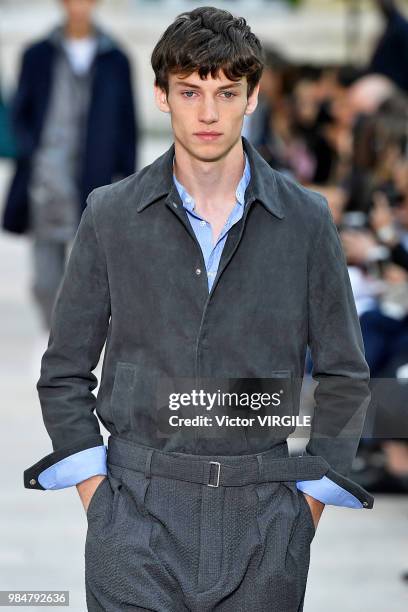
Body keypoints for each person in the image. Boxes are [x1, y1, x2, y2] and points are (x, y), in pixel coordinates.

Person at [24, 7, 374, 612]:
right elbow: (63, 373)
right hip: (135, 515)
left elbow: (345, 375)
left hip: (265, 518)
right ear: (161, 96)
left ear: (253, 97)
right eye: (190, 92)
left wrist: (307, 505)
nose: (208, 114)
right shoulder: (110, 217)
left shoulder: (306, 221)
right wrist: (97, 498)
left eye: (225, 93)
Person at [2, 0, 137, 329]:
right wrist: (29, 149)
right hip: (45, 181)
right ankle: (53, 338)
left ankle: (74, 348)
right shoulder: (36, 55)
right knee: (46, 279)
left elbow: (126, 124)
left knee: (91, 277)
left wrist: (128, 181)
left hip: (96, 178)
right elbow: (21, 111)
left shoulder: (116, 59)